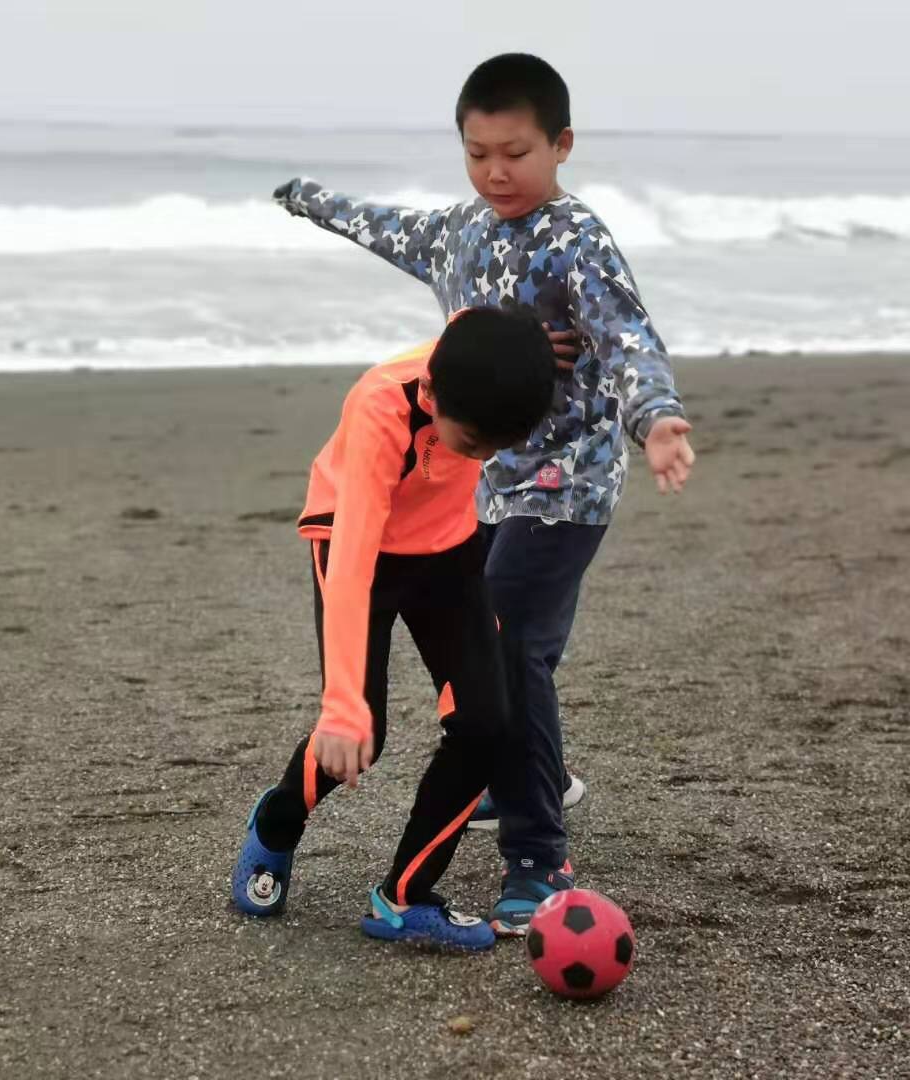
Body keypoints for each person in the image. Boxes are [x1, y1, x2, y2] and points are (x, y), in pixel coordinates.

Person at [272, 53, 696, 934]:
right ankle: (527, 783)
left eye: (517, 153)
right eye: (478, 154)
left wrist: (654, 419)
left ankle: (538, 852)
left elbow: (626, 337)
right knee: (501, 655)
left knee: (513, 653)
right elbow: (381, 224)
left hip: (566, 482)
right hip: (481, 481)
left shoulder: (575, 240)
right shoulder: (461, 232)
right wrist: (308, 198)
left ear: (561, 145)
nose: (498, 173)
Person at [231, 305, 556, 951]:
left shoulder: (482, 376)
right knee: (363, 733)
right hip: (357, 542)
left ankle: (404, 898)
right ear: (432, 394)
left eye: (498, 448)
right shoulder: (381, 405)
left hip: (447, 549)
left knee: (488, 723)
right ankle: (275, 823)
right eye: (473, 446)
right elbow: (351, 557)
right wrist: (341, 705)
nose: (484, 458)